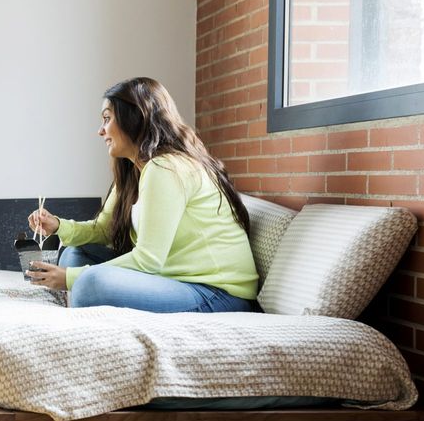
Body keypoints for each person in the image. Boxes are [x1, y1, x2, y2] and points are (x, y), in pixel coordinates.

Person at [26, 76, 258, 313]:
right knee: (77, 251)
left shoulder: (166, 168)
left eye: (107, 119)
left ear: (134, 119)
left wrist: (70, 278)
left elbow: (148, 259)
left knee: (87, 284)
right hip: (173, 277)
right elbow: (103, 231)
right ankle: (85, 306)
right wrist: (58, 226)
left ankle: (84, 305)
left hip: (217, 293)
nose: (100, 131)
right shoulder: (134, 171)